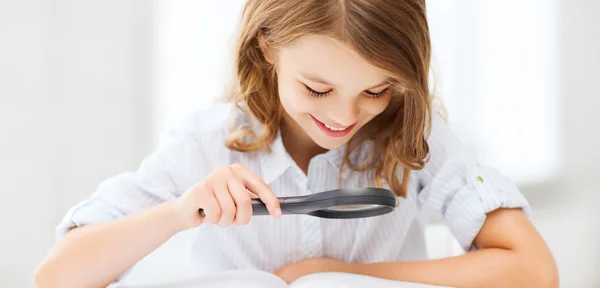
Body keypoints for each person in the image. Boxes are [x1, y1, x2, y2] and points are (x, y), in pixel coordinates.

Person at [35, 0, 558, 287]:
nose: (343, 115)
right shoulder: (207, 143)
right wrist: (178, 213)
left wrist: (343, 276)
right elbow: (56, 278)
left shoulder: (413, 138)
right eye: (318, 88)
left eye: (376, 91)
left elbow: (534, 271)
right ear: (267, 45)